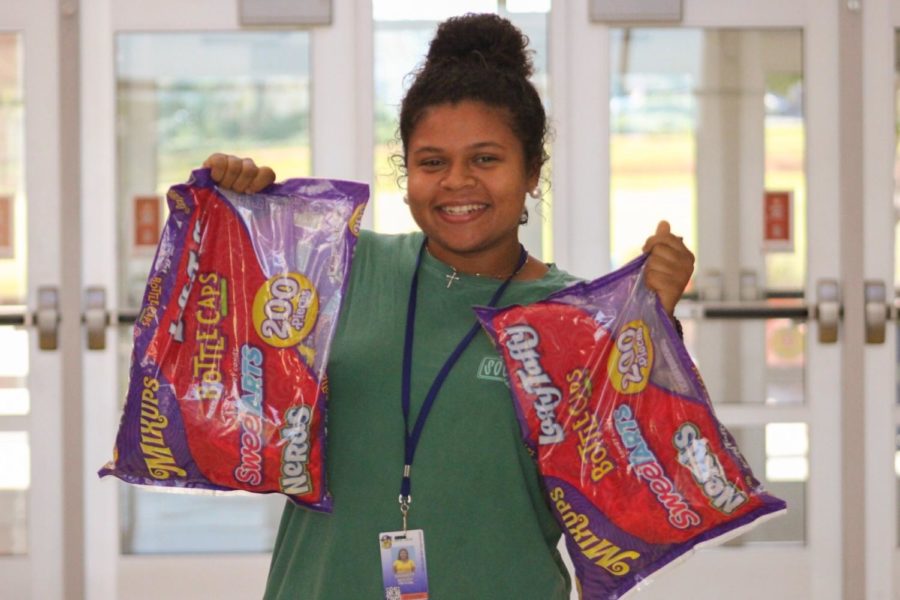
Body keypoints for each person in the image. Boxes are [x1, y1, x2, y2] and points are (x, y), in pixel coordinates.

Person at [204, 13, 694, 599]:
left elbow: (632, 493)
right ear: (406, 172)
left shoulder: (579, 318)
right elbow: (223, 375)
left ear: (533, 171)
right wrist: (233, 225)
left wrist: (654, 326)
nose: (457, 182)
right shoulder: (338, 270)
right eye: (432, 162)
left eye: (486, 159)